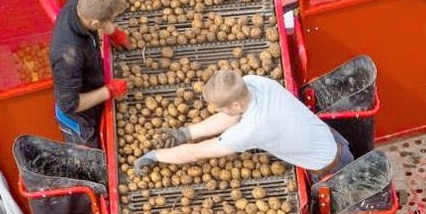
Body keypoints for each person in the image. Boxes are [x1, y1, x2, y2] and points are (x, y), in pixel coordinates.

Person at [133, 69, 353, 182]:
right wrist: (184, 133)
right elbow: (232, 117)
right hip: (331, 138)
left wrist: (155, 156)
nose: (217, 113)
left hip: (329, 167)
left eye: (220, 108)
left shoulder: (253, 129)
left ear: (236, 103)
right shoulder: (255, 82)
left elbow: (196, 153)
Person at [50, 0, 131, 148]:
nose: (109, 23)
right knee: (93, 161)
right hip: (78, 122)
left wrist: (113, 32)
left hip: (87, 87)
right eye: (107, 21)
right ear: (94, 23)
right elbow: (69, 104)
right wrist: (109, 91)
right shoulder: (69, 56)